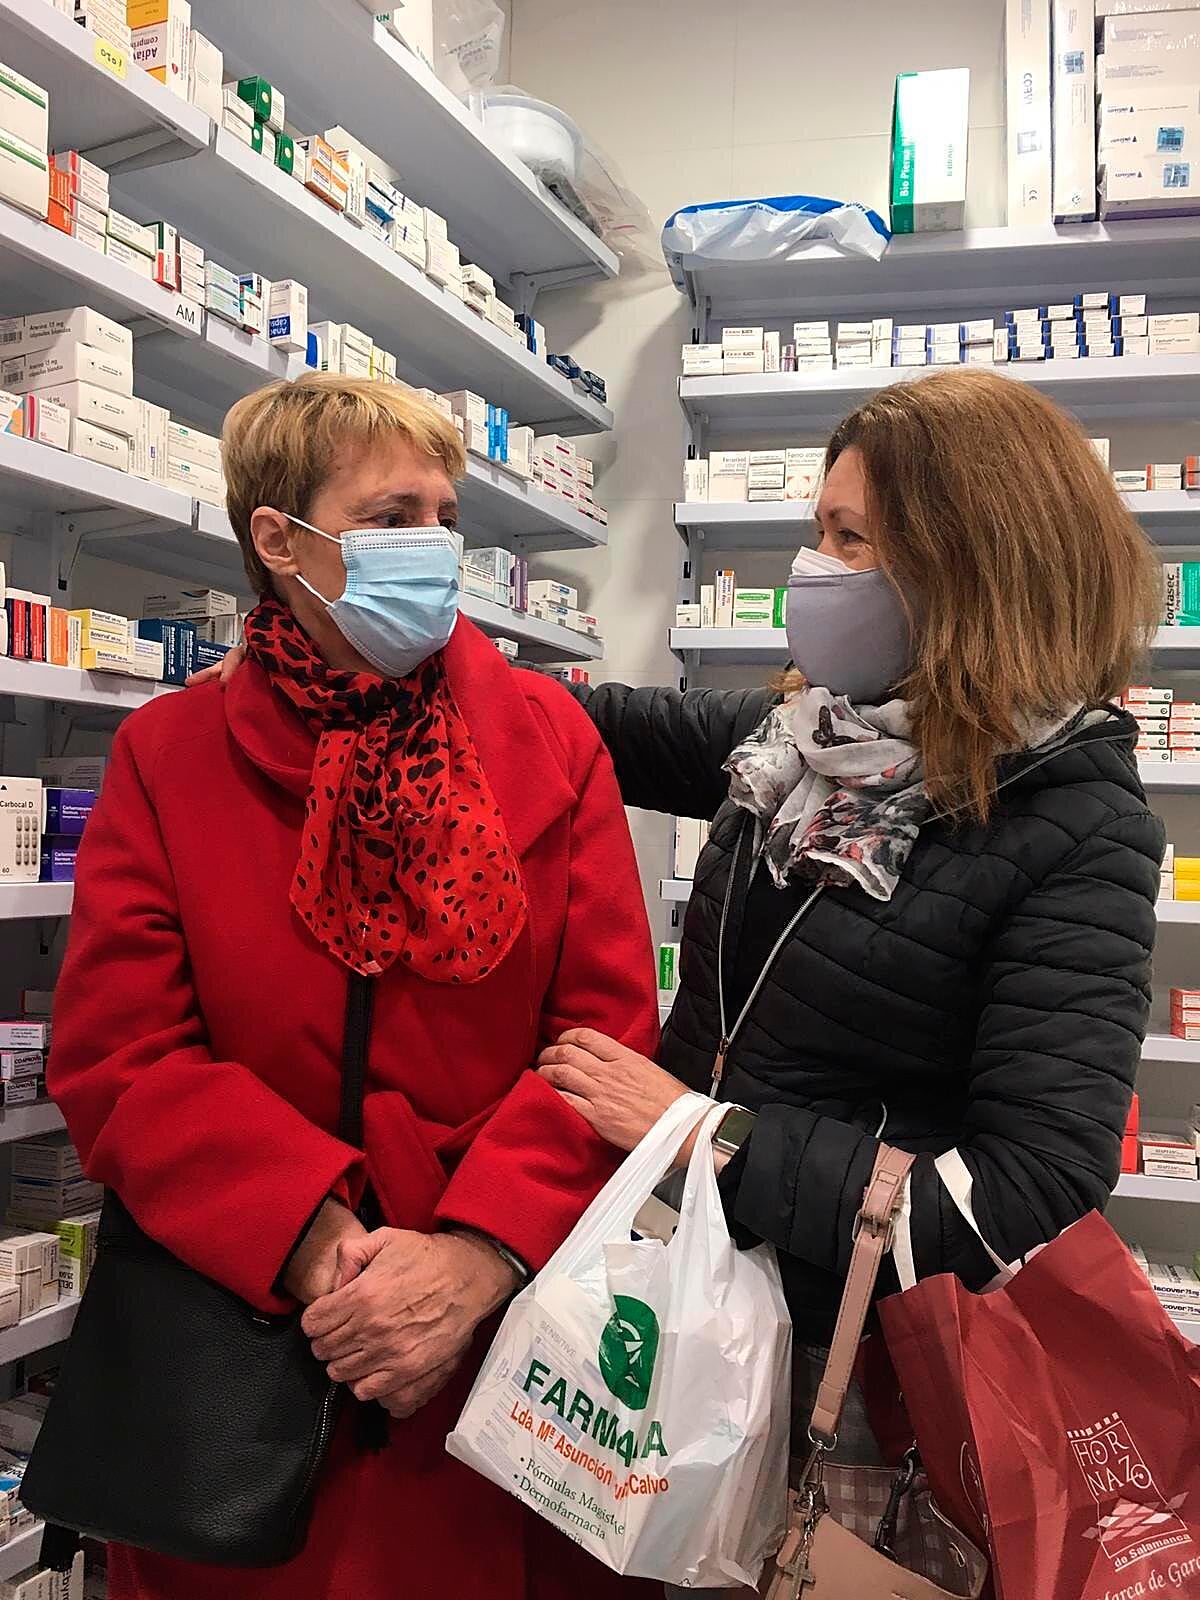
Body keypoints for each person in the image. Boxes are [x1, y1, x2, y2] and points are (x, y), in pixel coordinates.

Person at [531, 370, 1164, 1589]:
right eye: (814, 528)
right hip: (688, 1299)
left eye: (847, 539)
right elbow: (607, 726)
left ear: (963, 565)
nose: (810, 568)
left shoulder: (1074, 822)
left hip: (845, 1381)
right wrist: (426, 658)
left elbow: (1031, 1188)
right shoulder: (813, 740)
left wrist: (708, 1136)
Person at [47, 374, 662, 1600]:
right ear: (279, 540)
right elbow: (120, 1058)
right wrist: (322, 1247)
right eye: (391, 519)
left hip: (503, 1366)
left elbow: (605, 1038)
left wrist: (476, 1257)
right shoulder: (167, 759)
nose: (434, 549)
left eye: (446, 515)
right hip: (252, 1352)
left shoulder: (552, 739)